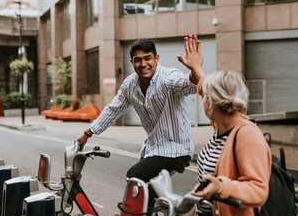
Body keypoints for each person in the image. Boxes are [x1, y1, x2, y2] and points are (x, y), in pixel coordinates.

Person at [76, 35, 205, 187]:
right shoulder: (130, 84)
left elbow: (188, 84)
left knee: (135, 178)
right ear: (132, 62)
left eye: (148, 58)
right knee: (141, 195)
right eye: (137, 60)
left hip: (176, 149)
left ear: (157, 58)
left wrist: (195, 69)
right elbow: (112, 110)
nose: (143, 64)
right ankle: (165, 208)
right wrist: (86, 135)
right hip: (152, 149)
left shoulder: (168, 78)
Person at [189, 70, 272, 216]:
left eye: (205, 96)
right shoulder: (220, 127)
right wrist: (195, 67)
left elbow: (259, 190)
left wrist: (221, 187)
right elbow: (205, 87)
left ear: (212, 102)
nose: (202, 99)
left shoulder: (247, 134)